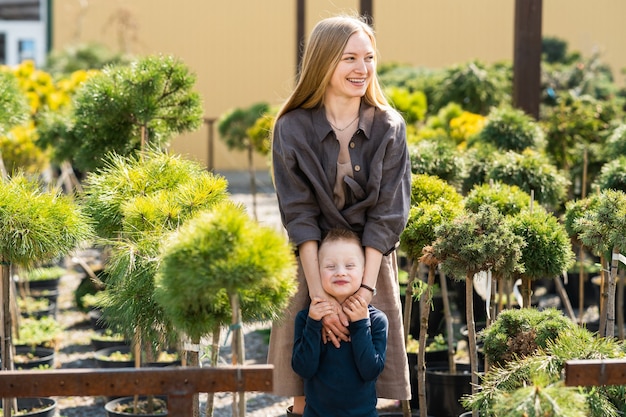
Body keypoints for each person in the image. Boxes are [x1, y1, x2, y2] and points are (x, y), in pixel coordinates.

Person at [268, 13, 412, 416]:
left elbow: (387, 218)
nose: (362, 69)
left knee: (367, 379)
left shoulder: (390, 127)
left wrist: (362, 295)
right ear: (324, 61)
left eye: (368, 58)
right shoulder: (290, 127)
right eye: (350, 58)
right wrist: (319, 298)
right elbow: (298, 215)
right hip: (309, 262)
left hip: (369, 263)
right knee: (304, 385)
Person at [292, 228, 388, 417]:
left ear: (364, 272)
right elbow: (303, 369)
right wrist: (313, 324)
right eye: (330, 266)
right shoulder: (306, 318)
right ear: (317, 272)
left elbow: (371, 371)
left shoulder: (376, 320)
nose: (340, 272)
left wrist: (361, 324)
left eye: (350, 265)